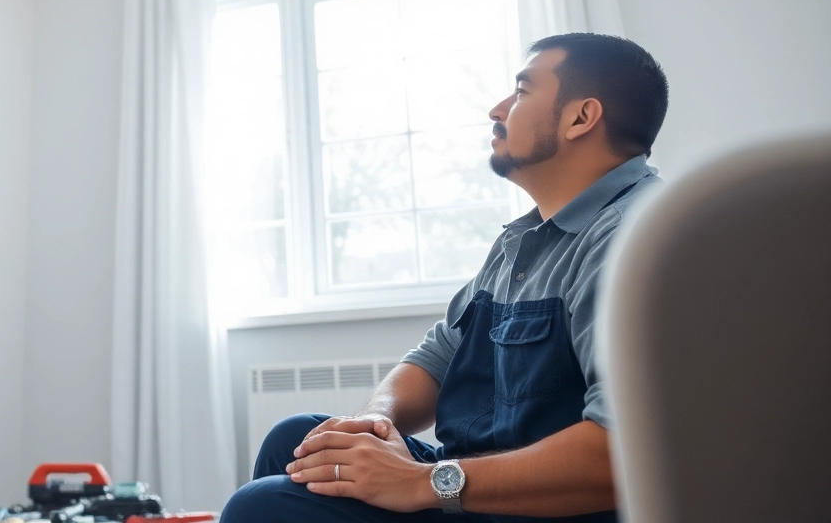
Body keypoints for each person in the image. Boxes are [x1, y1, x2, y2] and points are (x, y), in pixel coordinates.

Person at [222, 33, 669, 522]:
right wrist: (376, 419)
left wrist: (420, 482)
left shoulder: (635, 237)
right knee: (303, 439)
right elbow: (438, 356)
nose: (497, 110)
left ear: (580, 117)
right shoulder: (524, 240)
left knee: (258, 506)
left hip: (544, 510)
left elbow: (627, 450)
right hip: (477, 486)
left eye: (520, 93)